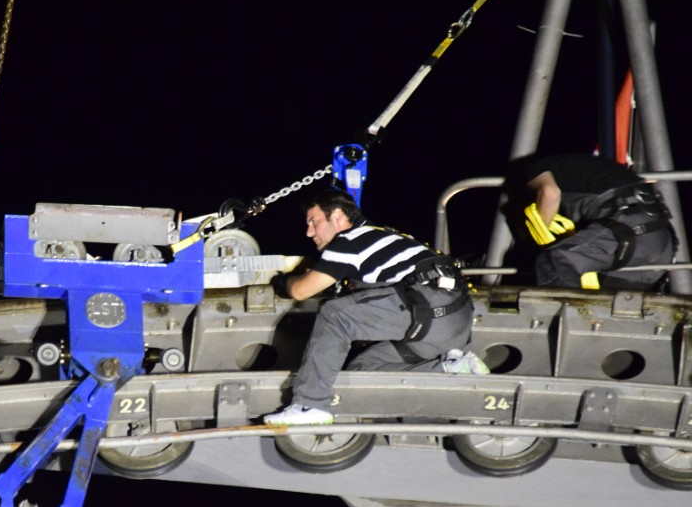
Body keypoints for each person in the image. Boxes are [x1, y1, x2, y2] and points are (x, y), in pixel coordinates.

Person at [263, 188, 486, 427]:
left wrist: (283, 281)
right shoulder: (386, 236)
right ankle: (453, 369)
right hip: (453, 322)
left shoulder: (351, 240)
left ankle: (310, 404)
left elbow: (302, 291)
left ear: (337, 216)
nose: (309, 232)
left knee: (335, 314)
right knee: (364, 370)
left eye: (313, 222)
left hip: (429, 309)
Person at [503, 153, 676, 290]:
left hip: (629, 230)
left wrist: (536, 238)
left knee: (554, 260)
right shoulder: (582, 170)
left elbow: (549, 193)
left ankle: (567, 319)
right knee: (612, 306)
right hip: (661, 242)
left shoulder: (534, 169)